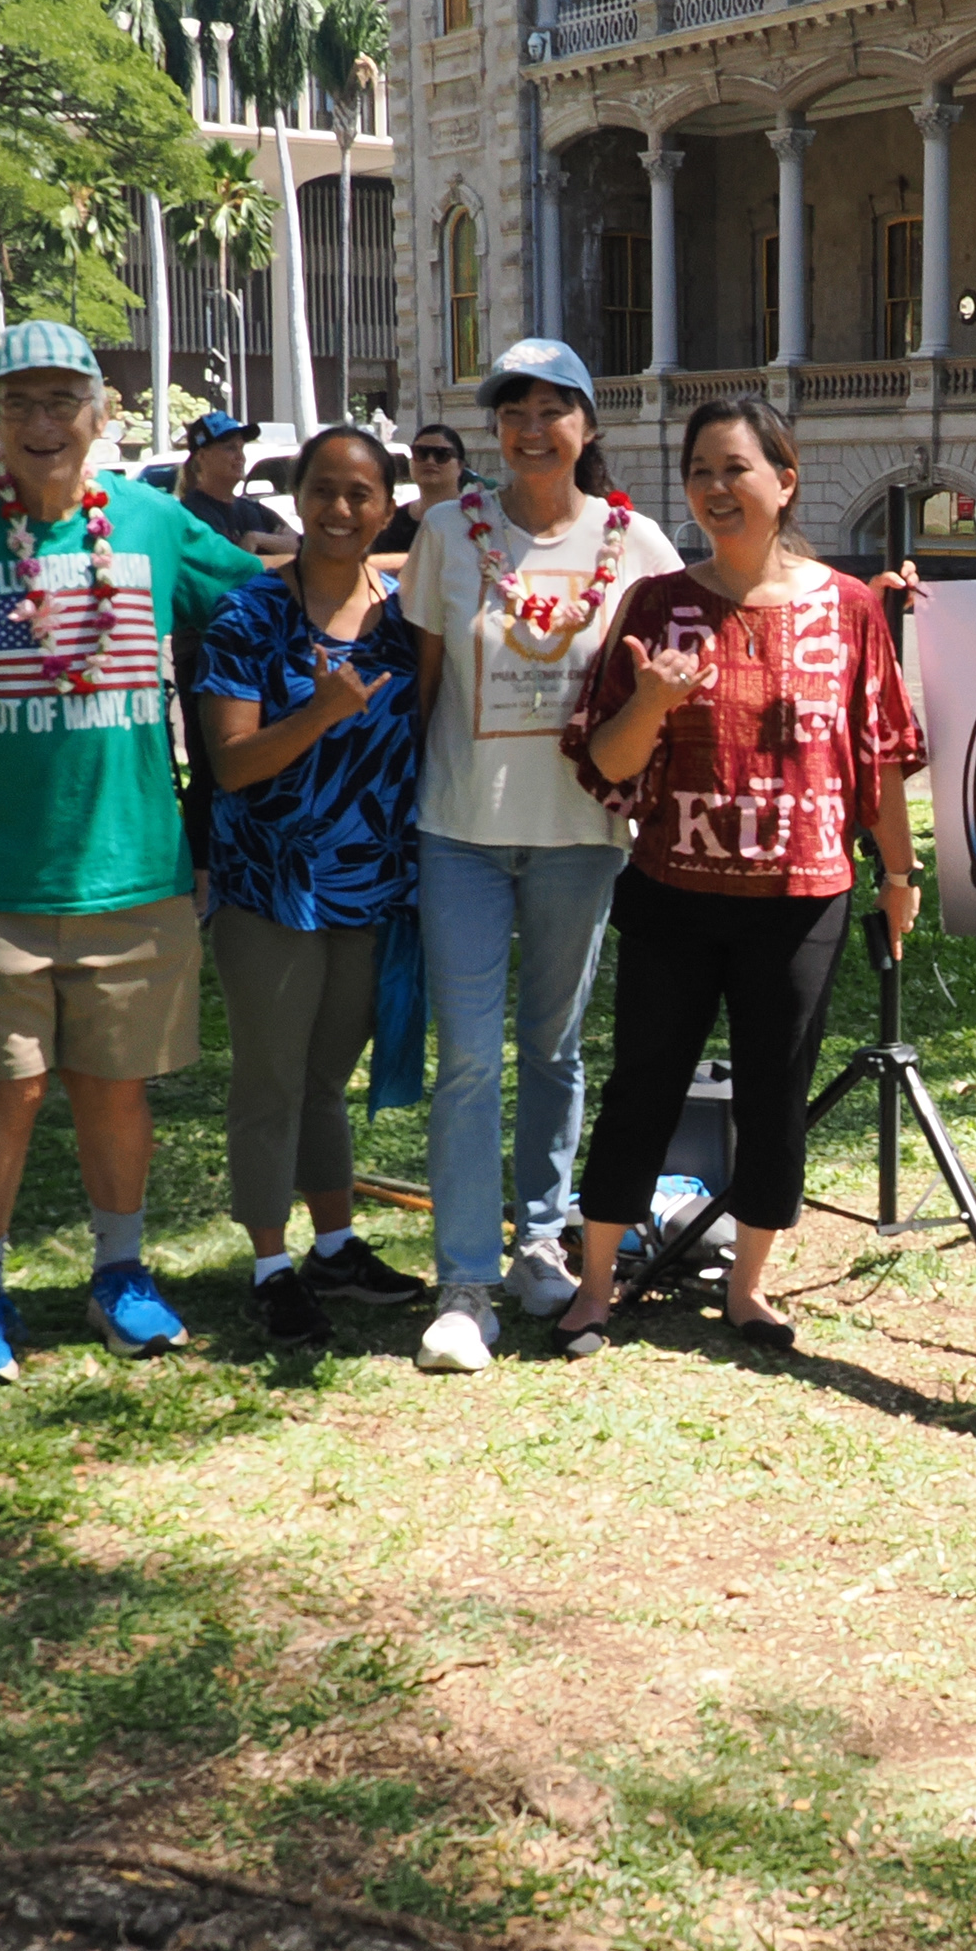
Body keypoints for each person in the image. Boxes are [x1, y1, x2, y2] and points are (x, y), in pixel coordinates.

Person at [0, 318, 267, 1390]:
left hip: (132, 867)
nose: (40, 426)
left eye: (60, 403)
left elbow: (274, 592)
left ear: (101, 414)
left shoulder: (152, 523)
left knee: (113, 1086)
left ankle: (120, 1275)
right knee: (5, 1092)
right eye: (17, 404)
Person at [546, 398, 923, 1358]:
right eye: (701, 471)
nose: (716, 488)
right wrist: (656, 701)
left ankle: (749, 1290)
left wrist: (900, 874)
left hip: (803, 901)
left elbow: (873, 754)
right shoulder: (659, 605)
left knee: (773, 1094)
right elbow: (613, 764)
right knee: (644, 1085)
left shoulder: (846, 609)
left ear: (784, 481)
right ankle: (596, 1287)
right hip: (673, 893)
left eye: (737, 468)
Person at [395, 339, 687, 1373]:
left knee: (554, 1050)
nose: (530, 428)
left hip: (581, 837)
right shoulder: (445, 530)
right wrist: (398, 812)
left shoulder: (638, 545)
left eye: (552, 409)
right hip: (462, 832)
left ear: (587, 427)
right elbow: (424, 680)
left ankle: (540, 1244)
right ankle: (464, 1284)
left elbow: (678, 673)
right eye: (511, 410)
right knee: (469, 1058)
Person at [195, 426, 431, 1346]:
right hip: (271, 888)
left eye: (360, 494)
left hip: (372, 891)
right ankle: (269, 1265)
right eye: (323, 491)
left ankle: (333, 1247)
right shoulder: (249, 615)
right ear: (298, 500)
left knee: (327, 1079)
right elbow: (233, 764)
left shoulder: (406, 622)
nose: (340, 510)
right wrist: (321, 712)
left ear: (386, 506)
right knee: (269, 1082)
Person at [173, 408, 288, 554]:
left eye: (241, 448)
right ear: (201, 457)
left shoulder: (255, 511)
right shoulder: (191, 515)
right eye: (230, 448)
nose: (241, 457)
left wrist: (256, 539)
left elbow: (303, 546)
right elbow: (226, 569)